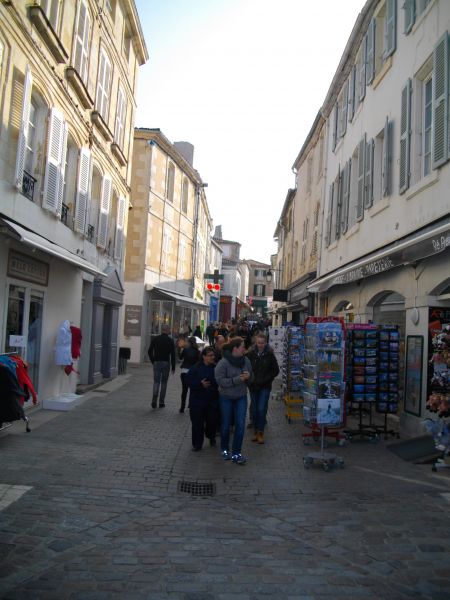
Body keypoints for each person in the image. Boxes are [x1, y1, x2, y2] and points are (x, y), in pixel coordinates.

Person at [215, 337, 253, 465]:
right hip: (226, 397)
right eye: (242, 346)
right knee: (225, 425)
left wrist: (248, 378)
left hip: (241, 397)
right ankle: (225, 450)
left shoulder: (246, 360)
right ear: (235, 348)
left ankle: (237, 452)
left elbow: (251, 377)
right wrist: (238, 379)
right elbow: (220, 382)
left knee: (240, 425)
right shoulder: (223, 363)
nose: (244, 349)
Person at [246, 333, 279, 444]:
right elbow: (246, 369)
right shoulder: (250, 355)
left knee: (261, 408)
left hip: (265, 386)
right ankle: (255, 431)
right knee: (254, 410)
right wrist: (249, 380)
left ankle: (260, 432)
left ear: (266, 343)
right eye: (259, 343)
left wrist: (267, 379)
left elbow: (275, 370)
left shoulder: (270, 355)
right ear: (256, 343)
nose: (260, 345)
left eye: (262, 343)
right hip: (253, 386)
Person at [186, 346, 219, 451]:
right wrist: (200, 384)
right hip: (197, 402)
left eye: (213, 355)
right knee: (197, 424)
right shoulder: (195, 368)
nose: (212, 357)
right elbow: (188, 382)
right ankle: (197, 444)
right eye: (210, 355)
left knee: (212, 422)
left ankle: (211, 436)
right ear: (204, 356)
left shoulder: (216, 368)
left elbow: (220, 381)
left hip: (212, 401)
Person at [148, 324, 176, 408]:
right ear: (167, 330)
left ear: (161, 330)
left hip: (157, 362)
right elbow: (173, 355)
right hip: (166, 363)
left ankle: (154, 400)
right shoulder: (170, 340)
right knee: (164, 383)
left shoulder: (156, 339)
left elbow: (149, 351)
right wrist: (173, 367)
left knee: (156, 382)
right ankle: (161, 402)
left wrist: (153, 361)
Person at [178, 336, 200, 413]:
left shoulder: (185, 349)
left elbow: (180, 358)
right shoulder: (197, 351)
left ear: (189, 342)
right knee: (192, 390)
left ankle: (182, 407)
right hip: (193, 372)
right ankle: (190, 405)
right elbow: (198, 363)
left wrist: (180, 350)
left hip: (184, 371)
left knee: (184, 390)